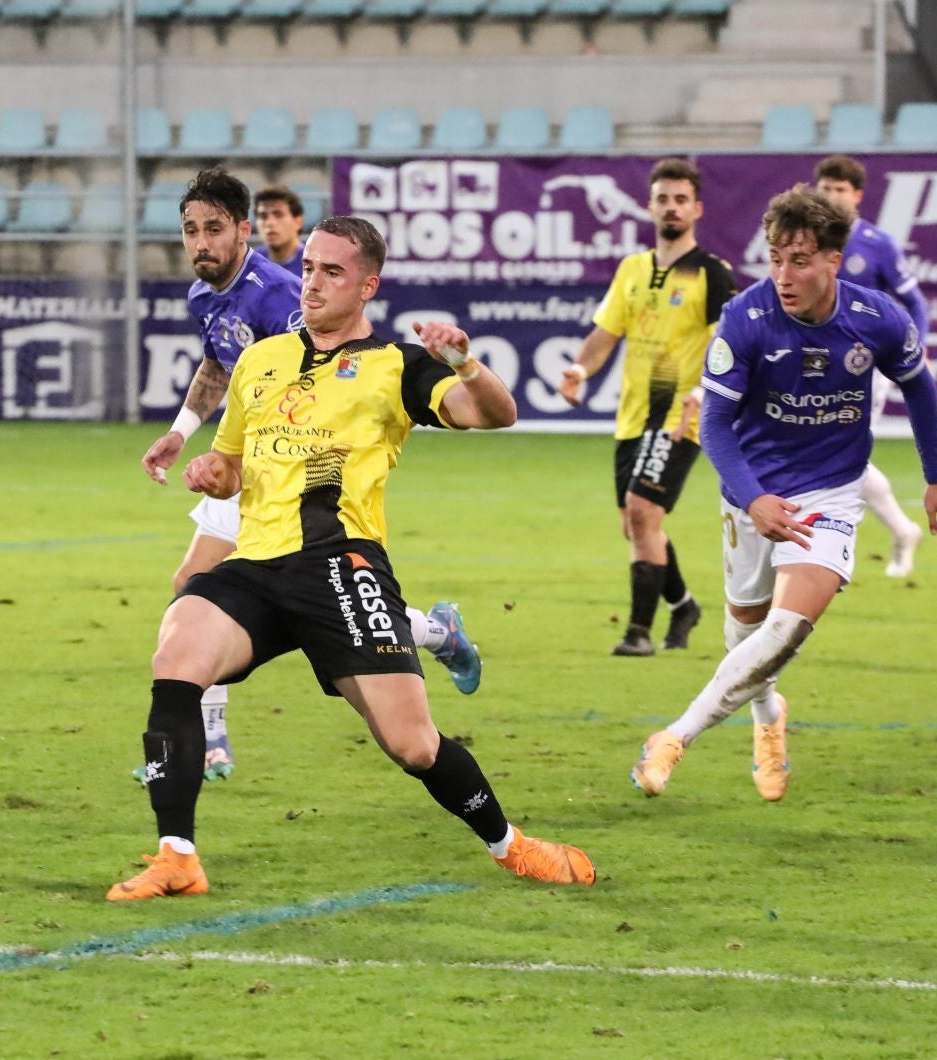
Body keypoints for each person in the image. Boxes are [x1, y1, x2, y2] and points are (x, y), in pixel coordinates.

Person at [109, 215, 596, 901]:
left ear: (368, 285)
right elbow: (232, 465)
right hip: (258, 563)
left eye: (332, 272)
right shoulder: (261, 360)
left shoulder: (394, 365)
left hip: (342, 566)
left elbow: (495, 412)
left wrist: (464, 361)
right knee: (176, 656)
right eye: (308, 267)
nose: (312, 282)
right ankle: (177, 856)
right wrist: (210, 473)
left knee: (414, 746)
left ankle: (512, 845)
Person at [139, 168, 483, 784]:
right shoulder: (204, 296)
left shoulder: (276, 294)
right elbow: (222, 366)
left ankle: (209, 735)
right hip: (245, 450)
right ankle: (435, 632)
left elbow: (322, 370)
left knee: (213, 581)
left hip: (290, 466)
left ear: (242, 232)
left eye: (213, 229)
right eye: (190, 230)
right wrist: (181, 429)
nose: (200, 243)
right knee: (209, 584)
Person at [629, 186, 937, 803]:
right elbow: (718, 425)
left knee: (785, 629)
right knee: (744, 634)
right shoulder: (746, 319)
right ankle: (767, 718)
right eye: (776, 258)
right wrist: (752, 499)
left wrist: (935, 480)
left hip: (830, 495)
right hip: (751, 494)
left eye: (800, 260)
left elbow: (920, 389)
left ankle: (673, 738)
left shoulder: (878, 318)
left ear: (835, 260)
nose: (784, 274)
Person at [559, 158, 736, 657]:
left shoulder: (712, 274)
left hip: (681, 415)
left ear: (697, 209)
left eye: (681, 199)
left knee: (641, 512)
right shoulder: (632, 269)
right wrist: (578, 371)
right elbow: (605, 333)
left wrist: (703, 392)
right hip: (633, 416)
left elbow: (731, 343)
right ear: (649, 205)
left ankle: (638, 632)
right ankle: (683, 605)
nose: (671, 207)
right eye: (663, 198)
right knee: (638, 524)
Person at [815, 154, 930, 578]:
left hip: (868, 365)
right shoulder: (809, 241)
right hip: (817, 364)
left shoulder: (876, 243)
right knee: (833, 448)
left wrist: (917, 345)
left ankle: (830, 537)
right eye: (825, 189)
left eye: (840, 190)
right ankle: (901, 530)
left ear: (857, 195)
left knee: (843, 448)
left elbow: (915, 302)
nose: (832, 196)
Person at [252, 183, 305, 275]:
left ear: (298, 222)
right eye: (263, 216)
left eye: (278, 215)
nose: (269, 223)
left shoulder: (314, 265)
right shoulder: (250, 264)